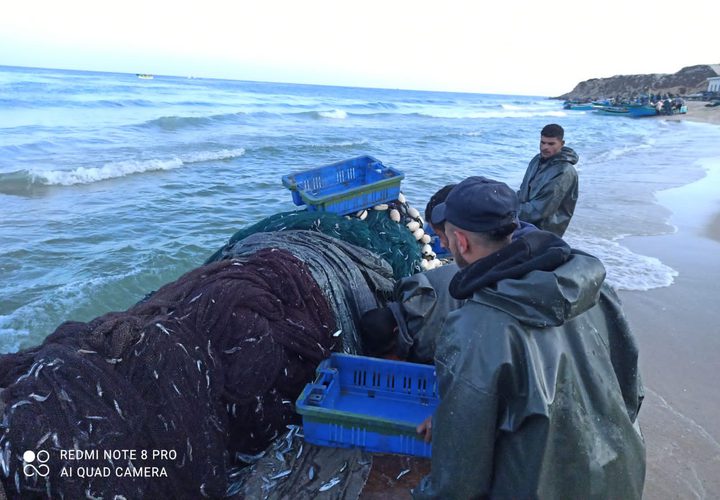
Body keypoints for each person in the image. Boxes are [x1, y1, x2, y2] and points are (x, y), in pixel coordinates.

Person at [413, 176, 646, 499]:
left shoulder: (475, 327)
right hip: (623, 473)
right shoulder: (594, 286)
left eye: (448, 238)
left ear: (460, 242)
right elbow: (631, 388)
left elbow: (458, 480)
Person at [517, 123, 579, 236]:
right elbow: (523, 193)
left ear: (562, 144)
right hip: (524, 224)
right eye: (542, 142)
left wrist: (507, 210)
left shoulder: (563, 171)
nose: (545, 147)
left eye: (551, 144)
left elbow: (539, 211)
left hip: (544, 233)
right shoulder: (536, 160)